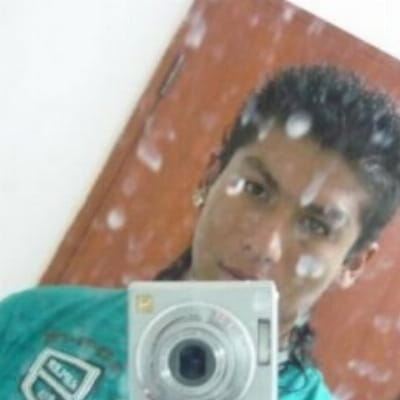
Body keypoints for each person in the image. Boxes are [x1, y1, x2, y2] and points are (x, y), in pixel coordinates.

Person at [2, 65, 400, 400]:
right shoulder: (33, 321)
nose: (264, 245)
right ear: (211, 179)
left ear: (353, 263)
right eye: (255, 190)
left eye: (316, 226)